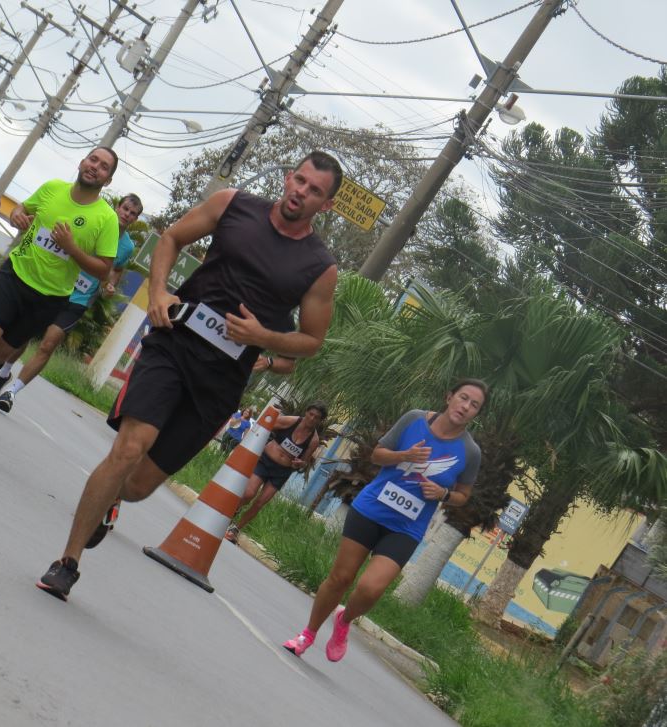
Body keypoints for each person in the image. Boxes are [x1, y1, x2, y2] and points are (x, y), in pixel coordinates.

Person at [35, 150, 343, 601]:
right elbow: (171, 238)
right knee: (129, 449)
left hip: (221, 379)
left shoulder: (320, 267)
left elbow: (312, 340)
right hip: (174, 342)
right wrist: (158, 292)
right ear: (286, 178)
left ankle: (109, 505)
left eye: (315, 190)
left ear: (327, 205)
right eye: (299, 180)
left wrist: (263, 334)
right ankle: (67, 562)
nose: (301, 191)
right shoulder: (233, 204)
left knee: (138, 486)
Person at [281, 380, 486, 662]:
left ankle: (344, 620)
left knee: (371, 588)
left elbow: (463, 495)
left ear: (476, 413)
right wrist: (405, 456)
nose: (466, 406)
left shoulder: (470, 451)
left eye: (474, 405)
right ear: (449, 397)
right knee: (340, 577)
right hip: (371, 510)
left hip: (407, 528)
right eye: (463, 398)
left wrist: (444, 494)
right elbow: (377, 454)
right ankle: (308, 634)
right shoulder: (414, 419)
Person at [0, 147, 120, 428]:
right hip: (16, 273)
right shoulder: (52, 188)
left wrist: (72, 248)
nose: (95, 166)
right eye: (93, 159)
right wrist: (16, 216)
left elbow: (103, 269)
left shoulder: (106, 218)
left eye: (103, 167)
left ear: (107, 180)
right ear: (82, 162)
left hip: (50, 297)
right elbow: (22, 209)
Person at [0, 193, 143, 413]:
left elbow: (115, 270)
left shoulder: (126, 247)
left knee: (48, 344)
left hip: (79, 299)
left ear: (135, 219)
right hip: (56, 288)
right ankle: (4, 372)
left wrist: (110, 286)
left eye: (133, 213)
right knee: (24, 335)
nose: (127, 215)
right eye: (125, 209)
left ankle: (12, 392)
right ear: (117, 207)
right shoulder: (96, 222)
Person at [225, 402, 326, 541]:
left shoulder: (313, 440)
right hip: (265, 461)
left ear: (320, 421)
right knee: (249, 493)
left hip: (282, 472)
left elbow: (304, 461)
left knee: (260, 502)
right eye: (311, 414)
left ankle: (236, 529)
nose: (312, 419)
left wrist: (300, 463)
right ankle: (231, 512)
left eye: (317, 417)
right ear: (306, 413)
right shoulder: (291, 421)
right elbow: (264, 426)